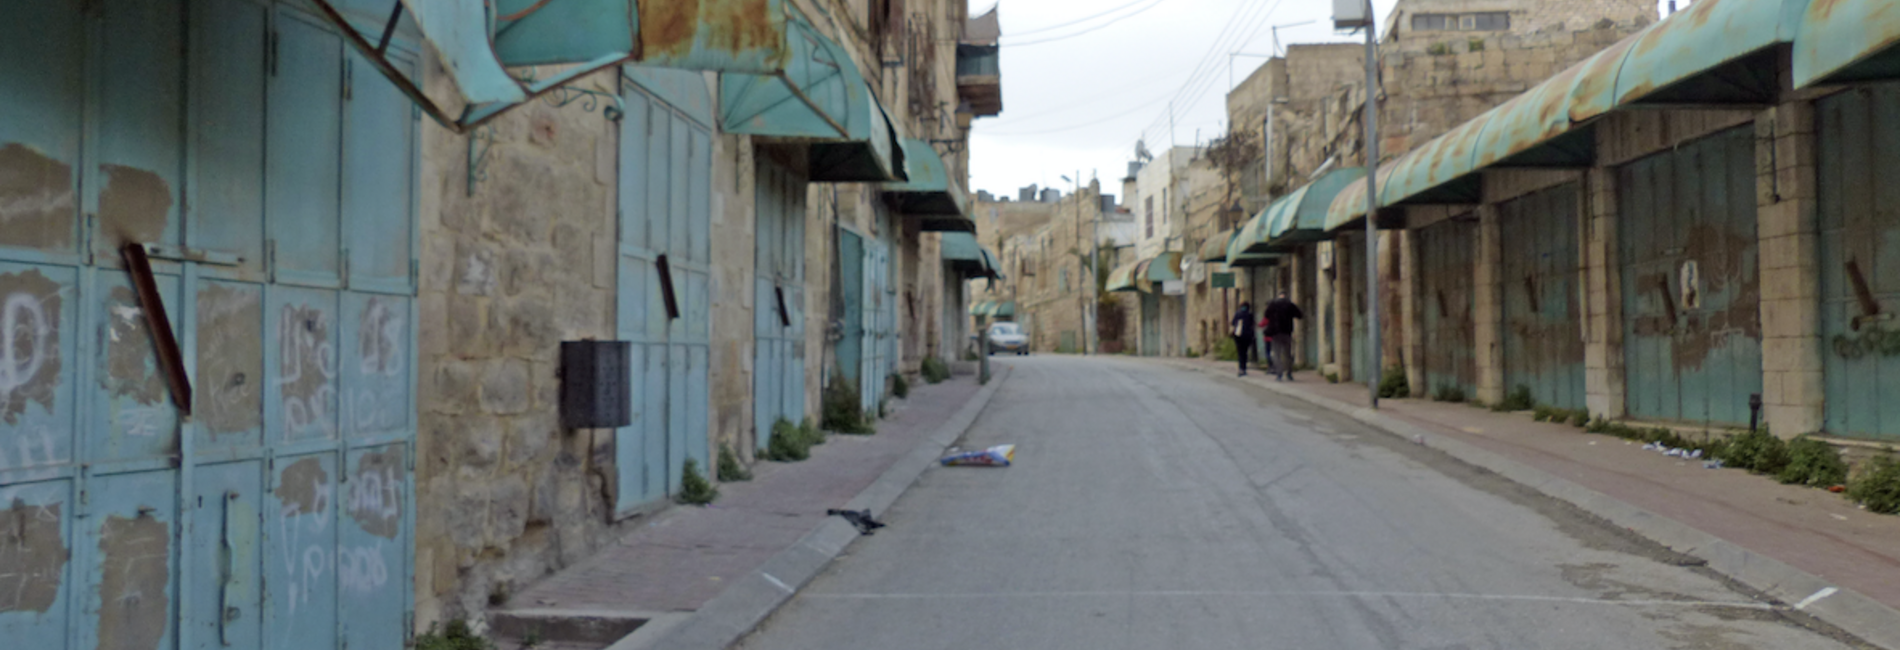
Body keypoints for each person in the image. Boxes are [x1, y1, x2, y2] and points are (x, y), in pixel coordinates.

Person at [1261, 291, 1304, 381]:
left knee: (1277, 354)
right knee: (1287, 353)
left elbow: (1266, 315)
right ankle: (1289, 373)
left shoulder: (1272, 304)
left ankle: (1279, 374)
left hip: (1275, 333)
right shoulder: (1290, 304)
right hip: (1287, 332)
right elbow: (1299, 315)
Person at [1231, 301, 1256, 376]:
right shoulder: (1250, 314)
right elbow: (1252, 324)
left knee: (1240, 352)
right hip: (1248, 335)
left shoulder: (1238, 313)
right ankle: (1244, 368)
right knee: (1245, 352)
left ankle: (1241, 368)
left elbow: (1233, 323)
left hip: (1239, 335)